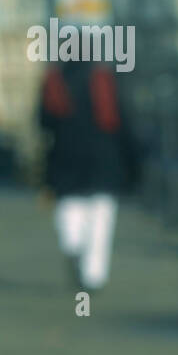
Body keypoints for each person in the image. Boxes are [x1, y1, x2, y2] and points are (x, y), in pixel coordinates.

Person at [37, 57, 139, 291]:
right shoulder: (105, 80)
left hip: (66, 157)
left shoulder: (54, 80)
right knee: (101, 219)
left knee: (70, 208)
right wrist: (133, 164)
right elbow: (123, 123)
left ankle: (73, 246)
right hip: (104, 159)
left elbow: (43, 122)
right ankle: (94, 275)